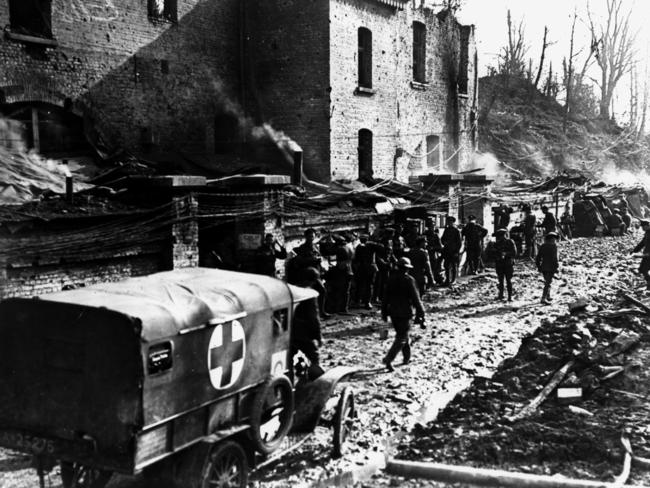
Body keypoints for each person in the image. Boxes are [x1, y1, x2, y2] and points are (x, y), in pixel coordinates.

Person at [381, 257, 425, 372]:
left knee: (404, 335)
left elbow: (385, 298)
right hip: (405, 312)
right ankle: (389, 359)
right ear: (407, 268)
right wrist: (421, 312)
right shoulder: (409, 280)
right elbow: (416, 299)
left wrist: (384, 312)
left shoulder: (391, 279)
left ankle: (406, 358)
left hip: (393, 312)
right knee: (402, 337)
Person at [292, 267, 323, 374]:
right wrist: (318, 337)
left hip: (288, 330)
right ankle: (314, 379)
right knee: (314, 355)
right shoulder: (309, 295)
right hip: (303, 331)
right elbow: (314, 318)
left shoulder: (291, 290)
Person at [353, 234, 383, 309]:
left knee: (369, 286)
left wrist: (372, 243)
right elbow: (356, 258)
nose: (363, 241)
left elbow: (381, 248)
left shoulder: (371, 245)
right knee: (360, 285)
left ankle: (367, 302)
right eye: (362, 239)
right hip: (362, 268)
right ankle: (358, 301)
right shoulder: (359, 247)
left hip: (370, 267)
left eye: (364, 239)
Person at [536, 232, 560, 304]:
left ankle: (548, 296)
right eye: (554, 239)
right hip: (551, 267)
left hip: (543, 267)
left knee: (547, 281)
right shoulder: (554, 246)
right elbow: (555, 258)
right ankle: (543, 298)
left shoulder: (543, 246)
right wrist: (556, 267)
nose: (555, 240)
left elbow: (538, 257)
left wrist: (538, 266)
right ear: (552, 239)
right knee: (548, 283)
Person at [493, 228, 517, 301]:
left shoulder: (510, 242)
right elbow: (493, 253)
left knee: (508, 280)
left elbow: (514, 252)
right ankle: (501, 295)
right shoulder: (496, 244)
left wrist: (506, 254)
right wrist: (497, 256)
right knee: (501, 280)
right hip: (500, 264)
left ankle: (509, 296)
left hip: (508, 264)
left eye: (501, 236)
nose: (500, 238)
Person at [441, 216, 462, 286]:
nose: (449, 223)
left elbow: (459, 243)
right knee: (446, 266)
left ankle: (453, 280)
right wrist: (444, 242)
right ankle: (447, 279)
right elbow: (442, 239)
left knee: (454, 265)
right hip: (447, 251)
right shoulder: (446, 230)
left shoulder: (456, 231)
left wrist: (456, 252)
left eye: (450, 222)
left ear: (453, 222)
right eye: (448, 221)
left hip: (453, 251)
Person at [632, 220, 650, 290]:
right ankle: (649, 283)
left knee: (644, 269)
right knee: (642, 269)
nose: (642, 228)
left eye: (643, 227)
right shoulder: (647, 233)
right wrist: (634, 251)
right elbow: (642, 243)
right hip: (646, 254)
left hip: (648, 255)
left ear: (647, 225)